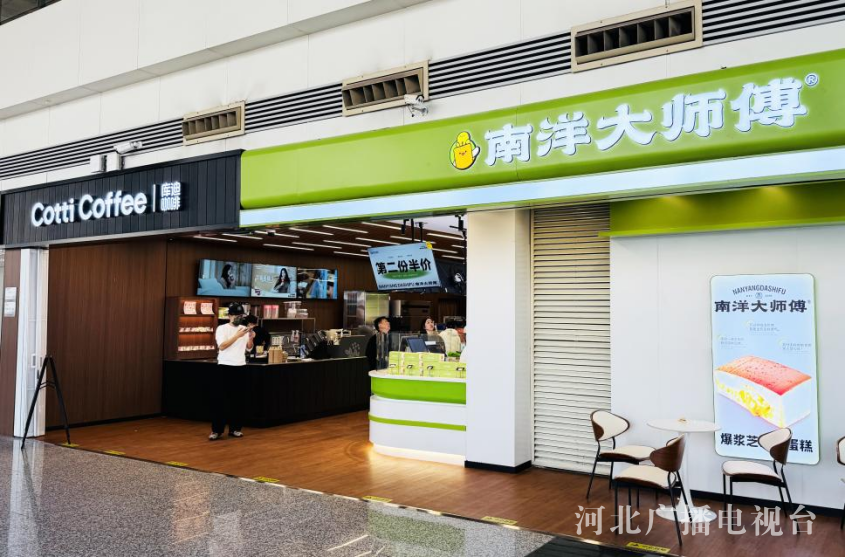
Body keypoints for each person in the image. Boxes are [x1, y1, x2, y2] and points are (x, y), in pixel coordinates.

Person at [210, 302, 255, 441]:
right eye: (236, 315)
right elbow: (222, 346)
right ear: (229, 316)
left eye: (241, 315)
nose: (238, 318)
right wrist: (237, 336)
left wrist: (250, 338)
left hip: (240, 366)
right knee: (221, 400)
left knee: (238, 400)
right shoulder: (222, 328)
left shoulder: (244, 329)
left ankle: (235, 429)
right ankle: (216, 430)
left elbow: (249, 348)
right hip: (224, 366)